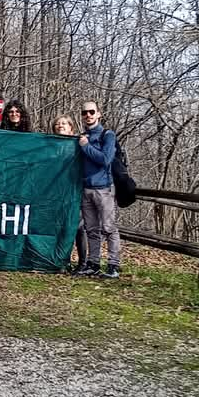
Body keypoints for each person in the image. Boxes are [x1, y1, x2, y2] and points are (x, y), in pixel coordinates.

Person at [74, 101, 121, 279]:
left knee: (109, 228)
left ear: (98, 114)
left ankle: (113, 265)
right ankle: (93, 264)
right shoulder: (82, 136)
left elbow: (105, 159)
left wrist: (86, 146)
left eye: (91, 112)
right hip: (86, 189)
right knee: (91, 229)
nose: (88, 115)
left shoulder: (107, 135)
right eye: (85, 112)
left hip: (104, 189)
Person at [51, 114, 87, 273]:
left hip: (75, 190)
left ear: (71, 128)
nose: (61, 126)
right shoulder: (50, 145)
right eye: (58, 124)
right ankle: (62, 261)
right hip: (55, 192)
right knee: (60, 227)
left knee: (79, 227)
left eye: (64, 123)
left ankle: (83, 262)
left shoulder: (78, 144)